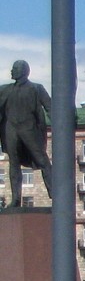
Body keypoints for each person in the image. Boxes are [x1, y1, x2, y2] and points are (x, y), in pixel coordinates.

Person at [0, 60, 52, 207]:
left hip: (29, 129)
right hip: (10, 129)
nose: (11, 71)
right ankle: (16, 199)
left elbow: (50, 106)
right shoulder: (5, 90)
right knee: (13, 163)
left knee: (42, 160)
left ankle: (55, 193)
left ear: (24, 71)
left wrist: (60, 123)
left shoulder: (36, 88)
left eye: (15, 68)